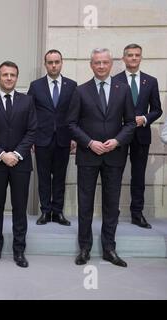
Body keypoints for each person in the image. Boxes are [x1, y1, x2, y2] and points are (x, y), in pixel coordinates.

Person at [68, 48, 136, 267]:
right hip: (88, 155)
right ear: (91, 64)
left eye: (105, 62)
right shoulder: (80, 91)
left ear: (111, 64)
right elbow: (71, 124)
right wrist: (89, 142)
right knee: (85, 204)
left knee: (111, 205)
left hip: (114, 156)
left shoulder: (123, 90)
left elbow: (131, 123)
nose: (101, 66)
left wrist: (117, 141)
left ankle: (109, 248)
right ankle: (85, 248)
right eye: (97, 62)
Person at [0, 61, 37, 268]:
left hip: (20, 164)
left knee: (19, 208)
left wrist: (17, 154)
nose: (9, 78)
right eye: (5, 75)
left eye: (12, 74)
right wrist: (3, 154)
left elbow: (32, 131)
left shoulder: (27, 101)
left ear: (17, 77)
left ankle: (19, 250)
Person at [113, 44, 162, 229]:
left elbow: (157, 110)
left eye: (137, 55)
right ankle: (113, 212)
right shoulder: (114, 80)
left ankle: (137, 214)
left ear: (141, 58)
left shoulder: (150, 81)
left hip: (141, 135)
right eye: (130, 55)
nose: (133, 58)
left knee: (138, 176)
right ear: (124, 58)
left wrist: (145, 118)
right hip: (119, 135)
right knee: (114, 174)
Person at [27, 49, 77, 226]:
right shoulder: (36, 85)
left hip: (64, 139)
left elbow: (75, 113)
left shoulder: (72, 85)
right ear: (45, 64)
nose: (54, 65)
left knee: (60, 178)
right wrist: (31, 138)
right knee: (43, 177)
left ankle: (58, 212)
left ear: (61, 63)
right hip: (42, 139)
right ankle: (45, 212)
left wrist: (75, 137)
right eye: (50, 62)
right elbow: (30, 113)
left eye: (57, 62)